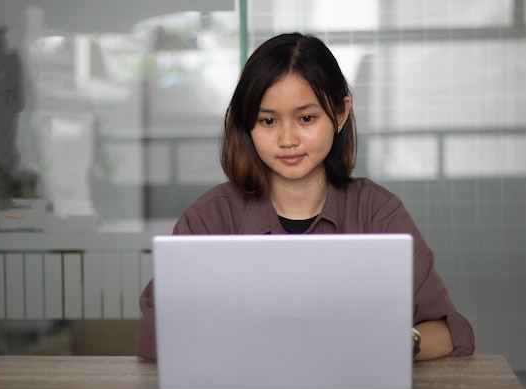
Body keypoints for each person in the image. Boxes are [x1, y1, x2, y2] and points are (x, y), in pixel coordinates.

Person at [137, 32, 475, 362]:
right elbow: (155, 338)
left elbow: (450, 332)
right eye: (268, 120)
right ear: (247, 123)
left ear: (340, 114)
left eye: (306, 118)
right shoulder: (210, 219)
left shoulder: (377, 213)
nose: (287, 139)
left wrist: (402, 342)